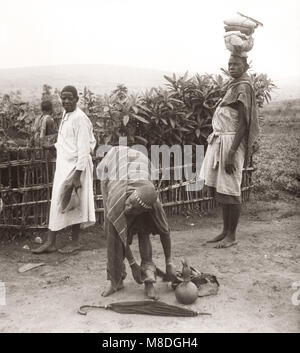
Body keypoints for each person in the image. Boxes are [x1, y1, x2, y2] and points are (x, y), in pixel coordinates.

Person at [97, 146, 177, 300]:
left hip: (142, 166)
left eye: (133, 208)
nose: (128, 208)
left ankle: (149, 279)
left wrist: (169, 262)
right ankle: (115, 281)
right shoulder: (118, 198)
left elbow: (165, 231)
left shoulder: (153, 203)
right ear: (130, 196)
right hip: (113, 168)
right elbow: (121, 234)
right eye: (129, 203)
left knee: (144, 229)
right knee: (113, 232)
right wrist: (133, 264)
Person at [200, 54, 259, 248]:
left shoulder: (243, 87)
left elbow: (244, 124)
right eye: (230, 64)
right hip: (221, 141)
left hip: (232, 143)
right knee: (222, 189)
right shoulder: (234, 85)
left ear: (245, 66)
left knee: (231, 189)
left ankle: (232, 236)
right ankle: (225, 231)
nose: (232, 67)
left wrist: (232, 153)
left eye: (236, 64)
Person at [32, 85, 96, 254]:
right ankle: (52, 242)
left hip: (75, 167)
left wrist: (77, 176)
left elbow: (83, 150)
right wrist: (53, 145)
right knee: (65, 202)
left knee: (73, 202)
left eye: (70, 98)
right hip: (64, 165)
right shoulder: (67, 115)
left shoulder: (80, 119)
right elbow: (67, 142)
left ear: (77, 99)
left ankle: (68, 242)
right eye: (63, 98)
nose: (66, 101)